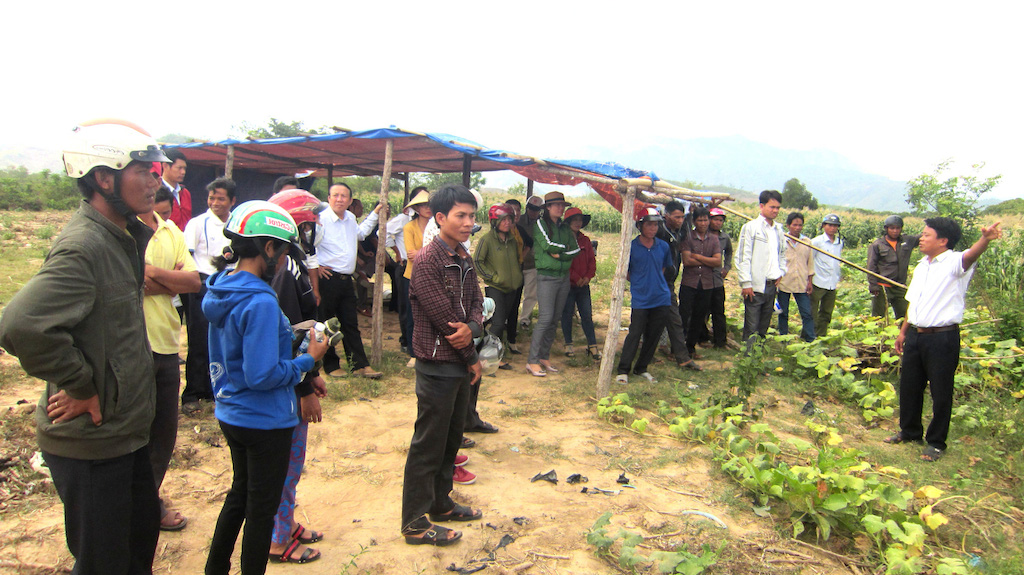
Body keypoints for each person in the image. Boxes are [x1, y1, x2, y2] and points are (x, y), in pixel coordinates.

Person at [0, 119, 169, 574]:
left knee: (137, 546)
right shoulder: (85, 246)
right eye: (145, 170)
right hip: (92, 444)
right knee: (104, 563)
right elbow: (21, 324)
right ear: (104, 177)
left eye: (157, 170)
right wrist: (80, 385)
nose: (157, 178)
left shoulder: (122, 237)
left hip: (123, 434)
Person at [204, 201, 329, 573]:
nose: (285, 256)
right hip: (264, 422)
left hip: (232, 413)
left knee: (240, 495)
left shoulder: (224, 288)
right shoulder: (259, 301)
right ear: (269, 248)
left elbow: (242, 354)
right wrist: (309, 359)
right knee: (261, 511)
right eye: (285, 248)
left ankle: (215, 568)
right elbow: (262, 376)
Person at [402, 184, 485, 547]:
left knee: (451, 439)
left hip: (459, 364)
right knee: (428, 444)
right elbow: (445, 321)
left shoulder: (463, 256)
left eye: (471, 216)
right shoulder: (427, 260)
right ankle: (414, 522)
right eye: (460, 216)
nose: (469, 223)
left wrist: (476, 329)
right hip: (437, 364)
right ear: (439, 218)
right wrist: (471, 355)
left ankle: (441, 503)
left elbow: (478, 301)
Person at [886, 218, 1002, 462]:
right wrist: (903, 331)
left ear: (943, 241)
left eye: (927, 234)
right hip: (916, 334)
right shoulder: (921, 266)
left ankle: (936, 443)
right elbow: (913, 301)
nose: (921, 238)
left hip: (942, 338)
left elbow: (971, 255)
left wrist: (985, 239)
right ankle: (910, 432)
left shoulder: (954, 262)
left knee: (940, 390)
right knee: (910, 385)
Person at [267, 189, 330, 564]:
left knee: (291, 461)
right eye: (309, 221)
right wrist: (304, 386)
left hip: (297, 376)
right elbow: (290, 335)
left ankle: (285, 523)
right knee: (286, 462)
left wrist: (314, 373)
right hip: (289, 384)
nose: (315, 227)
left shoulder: (291, 261)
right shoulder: (285, 271)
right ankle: (277, 539)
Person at [141, 183, 201, 532]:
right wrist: (171, 281)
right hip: (132, 343)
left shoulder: (169, 230)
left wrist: (154, 277)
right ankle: (141, 505)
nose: (151, 200)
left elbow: (193, 281)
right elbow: (132, 279)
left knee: (163, 434)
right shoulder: (124, 230)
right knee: (132, 432)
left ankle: (149, 500)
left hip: (166, 341)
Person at [181, 177, 237, 415]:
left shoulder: (237, 222)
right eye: (211, 198)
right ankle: (193, 392)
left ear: (232, 200)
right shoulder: (197, 223)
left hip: (231, 285)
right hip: (204, 285)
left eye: (221, 198)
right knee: (199, 339)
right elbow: (186, 258)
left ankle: (219, 389)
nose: (215, 202)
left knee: (227, 340)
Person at [316, 183, 383, 379]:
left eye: (344, 196)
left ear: (349, 200)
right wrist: (316, 267)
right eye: (335, 195)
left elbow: (360, 234)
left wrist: (376, 213)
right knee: (327, 324)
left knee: (350, 323)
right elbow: (307, 245)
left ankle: (359, 365)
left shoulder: (350, 218)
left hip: (346, 279)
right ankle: (330, 365)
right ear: (329, 198)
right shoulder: (321, 220)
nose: (339, 199)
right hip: (327, 279)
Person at [616, 207, 675, 385]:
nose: (653, 228)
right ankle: (623, 370)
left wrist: (654, 281)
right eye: (649, 224)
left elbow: (664, 268)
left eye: (656, 225)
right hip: (641, 298)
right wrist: (640, 282)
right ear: (640, 226)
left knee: (653, 335)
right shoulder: (632, 247)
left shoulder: (663, 246)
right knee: (635, 333)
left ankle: (642, 368)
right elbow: (625, 271)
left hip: (661, 297)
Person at [526, 191, 579, 377]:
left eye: (562, 205)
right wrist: (561, 251)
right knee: (545, 318)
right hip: (546, 276)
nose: (560, 208)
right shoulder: (540, 224)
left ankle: (544, 356)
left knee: (555, 318)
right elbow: (548, 246)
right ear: (547, 207)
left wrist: (560, 253)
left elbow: (575, 250)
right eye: (556, 205)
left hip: (563, 277)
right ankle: (532, 360)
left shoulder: (565, 228)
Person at [735, 190, 787, 349]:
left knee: (763, 327)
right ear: (762, 206)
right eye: (772, 207)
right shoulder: (751, 227)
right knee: (751, 326)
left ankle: (756, 360)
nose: (775, 211)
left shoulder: (778, 230)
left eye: (778, 207)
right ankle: (747, 361)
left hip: (772, 285)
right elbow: (743, 256)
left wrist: (781, 272)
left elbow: (783, 254)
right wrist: (746, 283)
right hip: (755, 285)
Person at [474, 204, 522, 371]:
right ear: (495, 221)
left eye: (510, 219)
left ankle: (495, 354)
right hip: (495, 288)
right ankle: (488, 357)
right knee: (498, 322)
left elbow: (517, 259)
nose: (507, 223)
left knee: (502, 322)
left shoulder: (512, 240)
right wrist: (493, 277)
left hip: (511, 288)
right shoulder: (486, 240)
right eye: (503, 220)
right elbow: (477, 262)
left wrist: (516, 277)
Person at [655, 202, 700, 371]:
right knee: (649, 319)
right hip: (655, 281)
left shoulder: (679, 231)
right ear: (666, 216)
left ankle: (682, 357)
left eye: (682, 217)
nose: (680, 220)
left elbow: (689, 222)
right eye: (677, 217)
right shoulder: (658, 230)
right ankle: (647, 355)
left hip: (668, 282)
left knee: (674, 319)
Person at [679, 207, 721, 359]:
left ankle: (691, 348)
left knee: (699, 316)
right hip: (689, 283)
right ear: (694, 221)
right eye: (700, 220)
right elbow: (687, 260)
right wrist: (706, 260)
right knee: (683, 315)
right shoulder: (688, 237)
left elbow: (718, 261)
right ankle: (677, 348)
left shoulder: (714, 239)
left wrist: (698, 257)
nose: (703, 223)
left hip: (707, 284)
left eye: (706, 220)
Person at [560, 207, 601, 360]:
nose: (578, 223)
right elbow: (564, 262)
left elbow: (592, 261)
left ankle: (592, 345)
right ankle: (568, 344)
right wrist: (575, 277)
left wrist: (588, 276)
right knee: (567, 314)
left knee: (587, 315)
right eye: (575, 220)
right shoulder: (562, 240)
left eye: (580, 220)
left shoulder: (585, 240)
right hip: (568, 285)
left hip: (584, 285)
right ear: (568, 222)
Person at [867, 215, 921, 320]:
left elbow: (924, 237)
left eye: (898, 228)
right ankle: (880, 335)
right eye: (892, 228)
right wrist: (873, 285)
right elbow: (871, 266)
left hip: (900, 286)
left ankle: (902, 335)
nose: (895, 231)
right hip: (883, 286)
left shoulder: (907, 241)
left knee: (905, 317)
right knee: (879, 317)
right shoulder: (877, 245)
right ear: (886, 229)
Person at [402, 189, 432, 367]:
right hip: (412, 275)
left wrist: (421, 252)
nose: (427, 208)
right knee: (412, 315)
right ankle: (413, 353)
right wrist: (428, 252)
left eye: (430, 205)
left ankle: (427, 350)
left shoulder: (437, 226)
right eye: (423, 205)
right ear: (417, 208)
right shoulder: (409, 227)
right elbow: (410, 255)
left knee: (429, 315)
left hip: (431, 276)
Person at [776, 212, 816, 342]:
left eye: (800, 225)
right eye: (795, 225)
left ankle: (810, 338)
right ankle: (784, 338)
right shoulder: (782, 240)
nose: (798, 228)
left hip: (802, 282)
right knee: (783, 313)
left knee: (806, 313)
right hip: (784, 282)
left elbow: (810, 264)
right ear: (788, 225)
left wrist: (810, 282)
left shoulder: (806, 242)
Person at [386, 199, 414, 355]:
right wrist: (397, 251)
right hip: (404, 265)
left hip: (421, 268)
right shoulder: (403, 220)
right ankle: (405, 340)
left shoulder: (430, 223)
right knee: (405, 306)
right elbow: (383, 233)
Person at [503, 199, 531, 354]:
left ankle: (512, 340)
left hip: (518, 273)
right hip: (503, 276)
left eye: (519, 210)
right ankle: (496, 342)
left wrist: (521, 257)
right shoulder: (500, 230)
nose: (517, 213)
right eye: (513, 210)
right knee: (501, 309)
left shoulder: (519, 229)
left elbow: (530, 243)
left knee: (514, 307)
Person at [811, 214, 844, 337]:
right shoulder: (816, 242)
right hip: (818, 281)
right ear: (824, 226)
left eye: (835, 226)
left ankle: (821, 335)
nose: (832, 228)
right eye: (830, 225)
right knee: (812, 311)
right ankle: (810, 335)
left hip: (832, 282)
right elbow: (810, 260)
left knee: (826, 312)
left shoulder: (839, 242)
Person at [704, 207, 733, 348]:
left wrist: (726, 267)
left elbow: (729, 253)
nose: (718, 223)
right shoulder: (702, 235)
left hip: (717, 279)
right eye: (715, 219)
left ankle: (720, 341)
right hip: (703, 278)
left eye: (720, 220)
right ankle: (701, 337)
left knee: (719, 310)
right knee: (702, 310)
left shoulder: (724, 238)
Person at [518, 195, 544, 328]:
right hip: (517, 264)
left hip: (533, 264)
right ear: (527, 208)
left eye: (536, 209)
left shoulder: (542, 224)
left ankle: (525, 319)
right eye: (531, 209)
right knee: (513, 294)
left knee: (531, 294)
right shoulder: (519, 221)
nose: (533, 212)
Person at [161, 148, 192, 230]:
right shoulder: (156, 191)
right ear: (165, 166)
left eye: (184, 168)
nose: (183, 172)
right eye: (179, 168)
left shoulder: (185, 193)